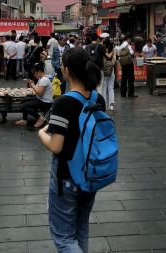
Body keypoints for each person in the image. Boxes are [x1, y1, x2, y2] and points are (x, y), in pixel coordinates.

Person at [37, 47, 104, 252]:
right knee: (80, 230)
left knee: (64, 237)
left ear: (66, 70)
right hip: (91, 174)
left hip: (67, 176)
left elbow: (56, 145)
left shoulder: (64, 102)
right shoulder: (97, 99)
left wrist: (41, 133)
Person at [16, 62, 54, 129]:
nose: (34, 75)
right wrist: (32, 84)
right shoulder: (41, 79)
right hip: (40, 99)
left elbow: (39, 93)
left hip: (45, 103)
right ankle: (24, 120)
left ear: (39, 71)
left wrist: (33, 85)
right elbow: (36, 90)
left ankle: (40, 118)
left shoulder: (44, 80)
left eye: (34, 73)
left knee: (24, 106)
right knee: (23, 100)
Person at [100, 38, 116, 112]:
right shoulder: (113, 50)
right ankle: (111, 105)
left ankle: (104, 105)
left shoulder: (102, 50)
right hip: (111, 69)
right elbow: (114, 60)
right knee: (110, 87)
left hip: (103, 69)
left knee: (103, 88)